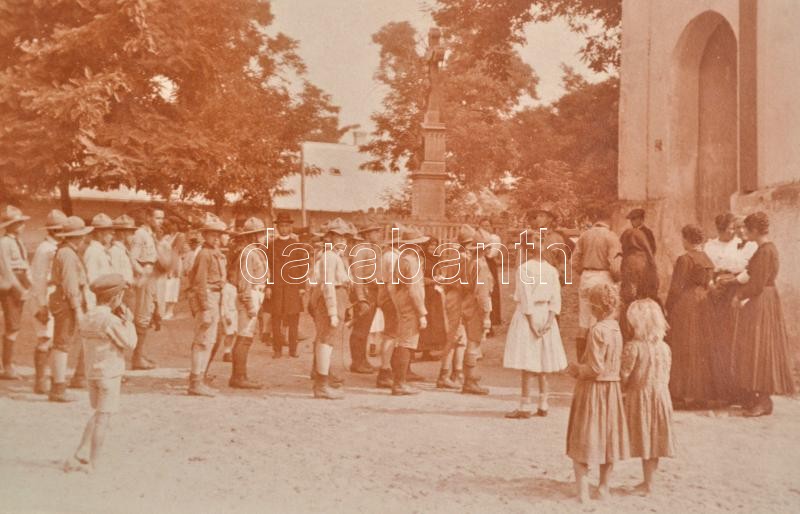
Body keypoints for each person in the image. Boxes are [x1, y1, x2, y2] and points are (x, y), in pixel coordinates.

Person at [63, 273, 137, 474]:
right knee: (104, 418)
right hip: (109, 374)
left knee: (98, 413)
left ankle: (81, 450)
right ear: (116, 297)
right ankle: (94, 463)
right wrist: (129, 322)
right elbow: (130, 343)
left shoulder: (88, 317)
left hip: (92, 374)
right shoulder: (110, 321)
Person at [566, 283, 629, 503]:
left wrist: (576, 370)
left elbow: (594, 368)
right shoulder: (616, 329)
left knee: (582, 439)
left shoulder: (596, 331)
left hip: (593, 391)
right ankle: (603, 488)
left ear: (595, 307)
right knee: (608, 440)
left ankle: (583, 492)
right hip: (612, 390)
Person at [731, 212, 796, 417]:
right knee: (756, 348)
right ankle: (757, 398)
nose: (744, 232)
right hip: (763, 299)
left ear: (755, 230)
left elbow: (757, 283)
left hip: (762, 301)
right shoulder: (764, 249)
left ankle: (764, 400)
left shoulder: (766, 251)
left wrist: (739, 296)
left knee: (761, 348)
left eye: (747, 229)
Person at [503, 232, 566, 418]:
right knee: (537, 359)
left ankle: (529, 406)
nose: (540, 243)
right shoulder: (535, 269)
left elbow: (549, 297)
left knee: (532, 360)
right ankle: (540, 404)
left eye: (541, 240)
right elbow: (533, 297)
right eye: (537, 240)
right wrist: (543, 321)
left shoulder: (537, 269)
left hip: (536, 315)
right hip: (537, 315)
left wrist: (545, 321)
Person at [620, 299, 677, 495]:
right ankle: (649, 481)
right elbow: (666, 374)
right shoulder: (665, 348)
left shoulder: (633, 347)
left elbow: (624, 374)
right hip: (661, 397)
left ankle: (647, 484)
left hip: (641, 396)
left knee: (645, 438)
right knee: (655, 439)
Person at [664, 225, 716, 407]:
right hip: (704, 303)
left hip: (686, 305)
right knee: (700, 348)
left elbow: (676, 288)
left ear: (687, 239)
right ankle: (700, 395)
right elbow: (709, 284)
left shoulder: (685, 259)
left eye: (683, 238)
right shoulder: (707, 259)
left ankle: (679, 394)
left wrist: (667, 307)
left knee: (682, 345)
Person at [704, 213, 749, 403]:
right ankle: (718, 389)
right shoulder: (710, 246)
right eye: (730, 228)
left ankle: (736, 390)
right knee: (717, 340)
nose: (734, 231)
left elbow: (745, 268)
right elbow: (708, 270)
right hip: (716, 293)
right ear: (720, 229)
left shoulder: (740, 244)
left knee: (733, 339)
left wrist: (731, 280)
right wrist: (712, 285)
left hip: (733, 291)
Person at [48, 216, 93, 402]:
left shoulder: (67, 251)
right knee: (62, 343)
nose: (83, 239)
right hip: (66, 301)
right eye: (81, 235)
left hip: (65, 300)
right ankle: (58, 388)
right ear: (77, 237)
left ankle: (58, 385)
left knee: (62, 342)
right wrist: (78, 310)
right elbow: (70, 284)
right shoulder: (67, 254)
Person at [309, 218, 354, 399]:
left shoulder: (337, 256)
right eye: (338, 237)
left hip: (339, 297)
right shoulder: (329, 256)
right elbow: (327, 285)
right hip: (330, 299)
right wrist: (333, 311)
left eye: (345, 238)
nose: (342, 241)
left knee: (328, 341)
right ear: (330, 237)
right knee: (326, 342)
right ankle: (321, 385)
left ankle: (323, 380)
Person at [571, 207, 622, 361]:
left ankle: (581, 361)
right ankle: (598, 360)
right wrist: (617, 279)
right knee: (603, 320)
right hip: (603, 277)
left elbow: (574, 261)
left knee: (584, 322)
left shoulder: (584, 235)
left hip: (586, 276)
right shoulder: (611, 237)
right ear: (608, 220)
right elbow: (615, 265)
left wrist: (584, 272)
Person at [186, 215, 228, 397]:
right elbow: (199, 283)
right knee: (202, 341)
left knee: (209, 341)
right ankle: (195, 381)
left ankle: (200, 378)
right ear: (205, 235)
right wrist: (204, 308)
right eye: (212, 235)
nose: (216, 238)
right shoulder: (204, 254)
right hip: (208, 296)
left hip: (216, 296)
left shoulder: (215, 253)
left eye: (219, 235)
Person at [386, 226, 428, 396]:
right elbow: (414, 290)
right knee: (407, 342)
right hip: (410, 305)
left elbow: (393, 286)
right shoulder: (411, 261)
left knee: (402, 341)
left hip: (402, 301)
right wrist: (422, 312)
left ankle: (399, 380)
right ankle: (399, 383)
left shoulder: (402, 259)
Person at [228, 217, 269, 389]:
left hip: (255, 294)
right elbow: (244, 282)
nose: (264, 237)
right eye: (260, 234)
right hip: (249, 296)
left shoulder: (255, 252)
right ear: (253, 236)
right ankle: (238, 376)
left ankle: (241, 375)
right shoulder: (248, 253)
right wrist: (249, 304)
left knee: (247, 337)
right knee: (244, 337)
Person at [29, 209, 68, 392]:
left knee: (52, 339)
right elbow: (38, 279)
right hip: (42, 297)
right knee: (44, 338)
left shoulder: (57, 248)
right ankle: (40, 380)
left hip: (53, 297)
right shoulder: (45, 250)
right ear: (53, 230)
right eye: (60, 230)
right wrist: (42, 305)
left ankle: (48, 377)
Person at [435, 226, 472, 390]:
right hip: (457, 297)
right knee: (454, 337)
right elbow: (459, 282)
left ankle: (457, 372)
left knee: (461, 339)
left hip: (458, 297)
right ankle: (444, 375)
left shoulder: (459, 256)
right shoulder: (462, 258)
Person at [264, 212, 304, 358]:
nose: (284, 229)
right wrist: (268, 286)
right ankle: (277, 350)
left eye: (287, 226)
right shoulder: (271, 246)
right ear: (277, 227)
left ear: (290, 227)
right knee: (276, 318)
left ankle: (293, 349)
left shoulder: (297, 246)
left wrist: (301, 287)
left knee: (293, 319)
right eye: (281, 226)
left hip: (292, 287)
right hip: (276, 287)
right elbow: (268, 268)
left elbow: (302, 268)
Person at [128, 207, 164, 370]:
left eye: (162, 218)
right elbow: (132, 258)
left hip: (152, 273)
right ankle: (136, 358)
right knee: (142, 316)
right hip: (145, 273)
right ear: (148, 218)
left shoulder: (151, 234)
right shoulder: (140, 234)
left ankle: (139, 354)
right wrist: (142, 273)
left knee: (149, 313)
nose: (160, 221)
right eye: (157, 218)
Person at [0, 205, 32, 380]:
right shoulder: (4, 243)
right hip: (11, 284)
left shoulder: (17, 241)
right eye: (19, 223)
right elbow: (6, 269)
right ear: (10, 225)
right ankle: (7, 366)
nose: (22, 225)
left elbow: (24, 264)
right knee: (12, 325)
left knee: (15, 325)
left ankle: (8, 365)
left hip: (21, 279)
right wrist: (19, 289)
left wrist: (29, 284)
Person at [460, 229, 494, 395]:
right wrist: (486, 315)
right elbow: (482, 293)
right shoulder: (481, 265)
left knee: (472, 342)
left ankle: (470, 378)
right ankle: (470, 381)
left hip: (469, 304)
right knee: (474, 343)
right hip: (476, 308)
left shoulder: (472, 261)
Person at [619, 208, 660, 340]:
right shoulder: (629, 233)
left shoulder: (647, 233)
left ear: (641, 219)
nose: (633, 222)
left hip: (643, 268)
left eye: (635, 219)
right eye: (631, 220)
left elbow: (651, 250)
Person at [348, 220, 382, 374]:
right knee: (360, 329)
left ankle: (363, 360)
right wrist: (361, 298)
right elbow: (357, 276)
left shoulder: (372, 248)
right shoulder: (361, 250)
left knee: (366, 328)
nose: (378, 234)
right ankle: (357, 362)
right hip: (364, 291)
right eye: (375, 231)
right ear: (367, 234)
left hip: (372, 291)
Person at [417, 236, 447, 361]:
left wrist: (441, 277)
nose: (432, 247)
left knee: (434, 321)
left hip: (434, 292)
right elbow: (418, 277)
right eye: (430, 245)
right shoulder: (420, 258)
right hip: (423, 292)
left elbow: (440, 271)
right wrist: (432, 281)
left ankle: (428, 351)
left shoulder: (436, 258)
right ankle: (418, 350)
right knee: (424, 320)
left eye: (435, 245)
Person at [83, 213, 115, 309]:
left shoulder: (101, 250)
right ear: (99, 233)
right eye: (109, 232)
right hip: (96, 302)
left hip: (104, 300)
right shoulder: (93, 251)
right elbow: (91, 281)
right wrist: (92, 307)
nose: (112, 235)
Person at [477, 217, 503, 330]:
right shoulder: (477, 237)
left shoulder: (494, 238)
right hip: (478, 263)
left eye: (487, 225)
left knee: (490, 291)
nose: (485, 228)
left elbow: (491, 254)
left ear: (491, 227)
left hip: (489, 264)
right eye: (483, 226)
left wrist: (481, 250)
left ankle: (491, 321)